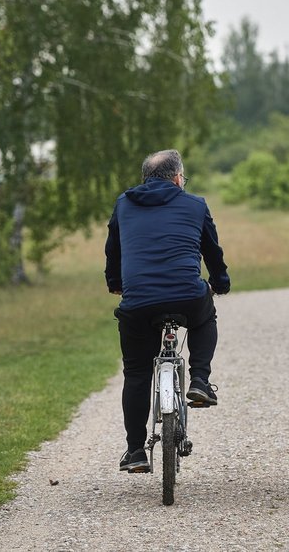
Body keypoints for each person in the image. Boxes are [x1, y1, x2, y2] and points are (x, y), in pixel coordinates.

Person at [105, 149, 230, 473]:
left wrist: (115, 283)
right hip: (187, 297)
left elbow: (113, 250)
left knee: (136, 373)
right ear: (177, 178)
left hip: (138, 303)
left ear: (145, 179)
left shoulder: (124, 204)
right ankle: (200, 380)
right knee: (206, 315)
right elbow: (211, 251)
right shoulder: (194, 204)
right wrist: (221, 282)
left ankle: (135, 451)